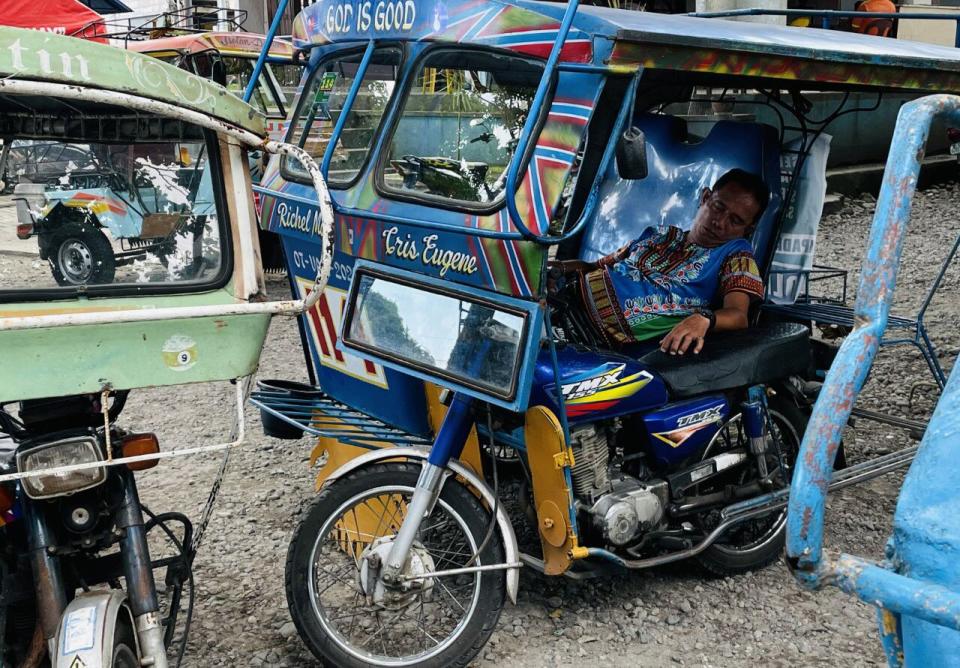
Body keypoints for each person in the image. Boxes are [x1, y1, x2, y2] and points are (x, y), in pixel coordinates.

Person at [553, 169, 769, 356]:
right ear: (705, 198)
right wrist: (559, 268)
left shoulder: (736, 256)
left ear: (747, 230)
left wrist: (704, 318)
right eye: (718, 207)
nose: (719, 222)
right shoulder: (659, 235)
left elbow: (738, 316)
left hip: (589, 340)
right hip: (561, 304)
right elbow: (596, 266)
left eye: (735, 220)